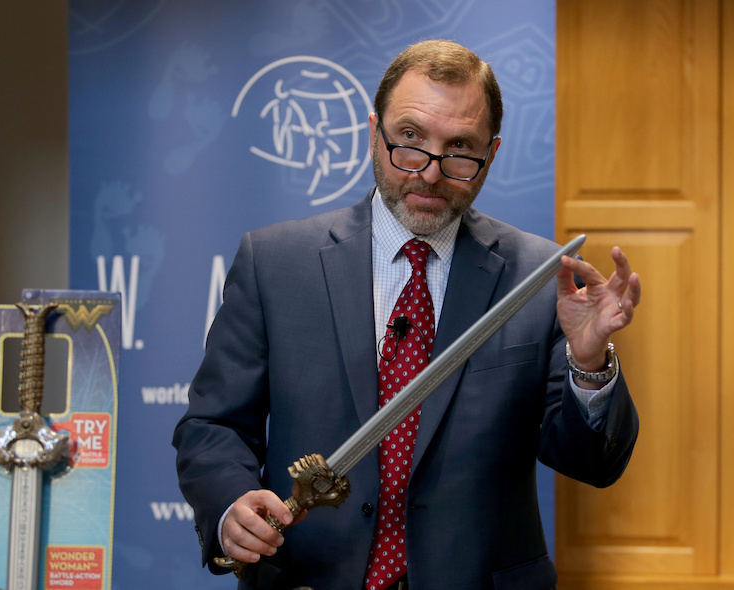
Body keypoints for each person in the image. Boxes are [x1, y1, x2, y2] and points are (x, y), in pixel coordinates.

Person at [173, 40, 641, 590]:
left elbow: (594, 463)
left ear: (490, 154)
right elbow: (213, 425)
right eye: (411, 139)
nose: (429, 173)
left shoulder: (539, 278)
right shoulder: (274, 263)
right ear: (375, 131)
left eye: (460, 148)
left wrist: (589, 362)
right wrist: (231, 506)